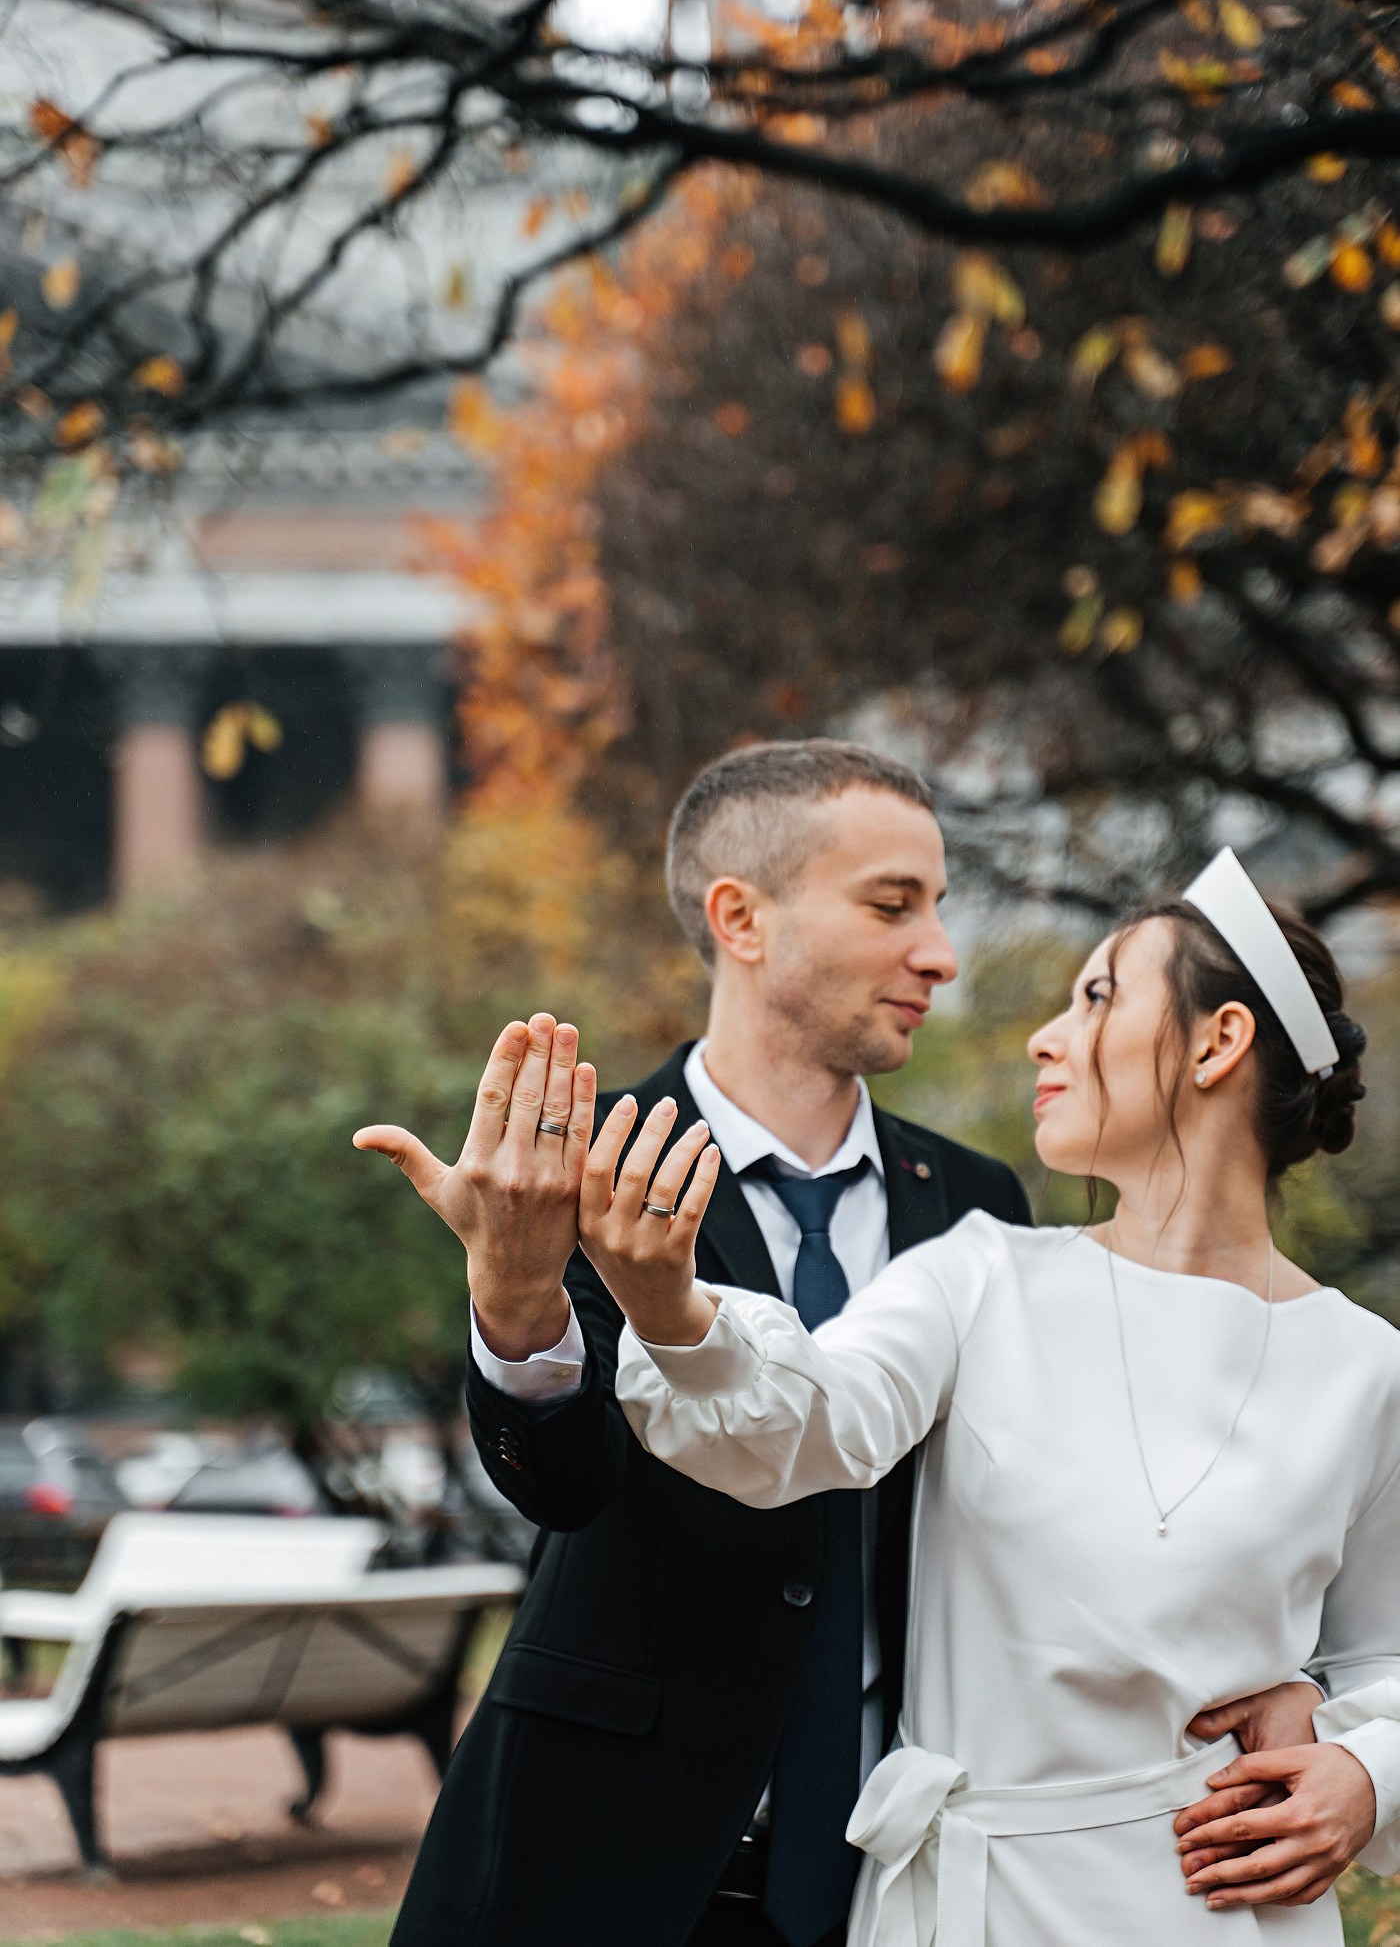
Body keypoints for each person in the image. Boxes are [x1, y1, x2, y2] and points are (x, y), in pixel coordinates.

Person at [356, 744, 1314, 1947]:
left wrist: (1291, 1682)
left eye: (939, 908)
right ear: (740, 919)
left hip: (875, 1877)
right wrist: (513, 1303)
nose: (940, 957)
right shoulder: (584, 1166)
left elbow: (1072, 1518)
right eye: (889, 905)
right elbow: (562, 1483)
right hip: (601, 1860)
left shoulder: (972, 1205)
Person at [574, 846, 1400, 1945]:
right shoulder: (977, 1276)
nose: (1042, 1036)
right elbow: (801, 1424)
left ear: (1217, 1041)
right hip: (963, 1908)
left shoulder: (1363, 1367)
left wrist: (1364, 1773)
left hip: (1219, 1907)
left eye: (1097, 995)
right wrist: (669, 1306)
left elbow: (1382, 1657)